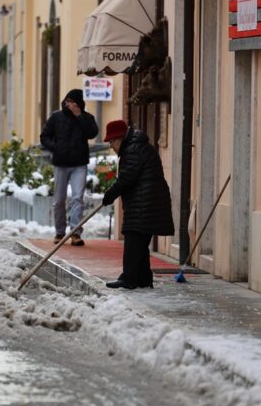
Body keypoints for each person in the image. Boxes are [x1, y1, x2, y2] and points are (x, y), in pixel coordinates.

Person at [101, 120, 174, 290]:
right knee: (139, 242)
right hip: (146, 202)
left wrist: (110, 195)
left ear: (120, 138)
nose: (111, 146)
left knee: (134, 238)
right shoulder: (136, 147)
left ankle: (129, 279)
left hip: (145, 204)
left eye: (112, 141)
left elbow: (126, 178)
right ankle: (142, 278)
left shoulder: (133, 150)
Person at [40, 89, 98, 247]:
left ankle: (75, 233)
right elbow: (44, 137)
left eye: (73, 102)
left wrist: (79, 115)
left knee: (78, 198)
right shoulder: (56, 117)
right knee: (59, 200)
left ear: (79, 104)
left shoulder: (86, 118)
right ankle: (60, 232)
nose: (69, 105)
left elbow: (92, 133)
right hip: (61, 163)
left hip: (79, 164)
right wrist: (55, 147)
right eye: (68, 101)